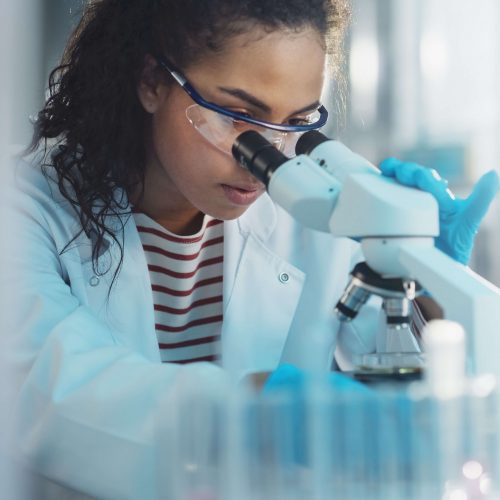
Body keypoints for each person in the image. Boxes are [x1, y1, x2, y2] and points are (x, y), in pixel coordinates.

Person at [3, 0, 498, 498]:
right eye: (239, 116)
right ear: (153, 81)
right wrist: (266, 417)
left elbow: (428, 399)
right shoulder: (24, 207)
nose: (268, 155)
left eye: (296, 121)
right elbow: (47, 392)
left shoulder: (314, 217)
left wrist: (431, 280)